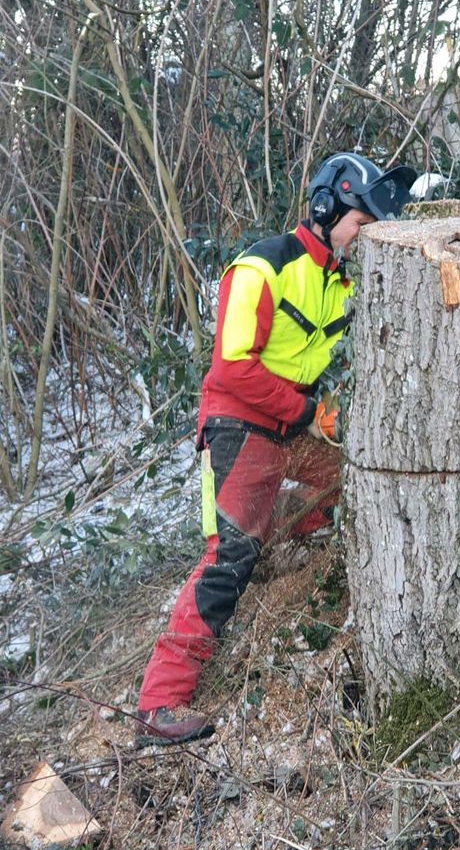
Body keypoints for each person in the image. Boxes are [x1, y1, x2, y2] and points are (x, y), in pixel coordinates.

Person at [135, 152, 416, 746]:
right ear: (327, 207)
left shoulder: (341, 282)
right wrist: (312, 413)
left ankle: (273, 540)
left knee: (353, 479)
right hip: (240, 422)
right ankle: (159, 701)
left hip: (292, 426)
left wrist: (322, 413)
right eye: (361, 224)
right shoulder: (263, 266)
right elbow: (233, 371)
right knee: (229, 557)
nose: (365, 237)